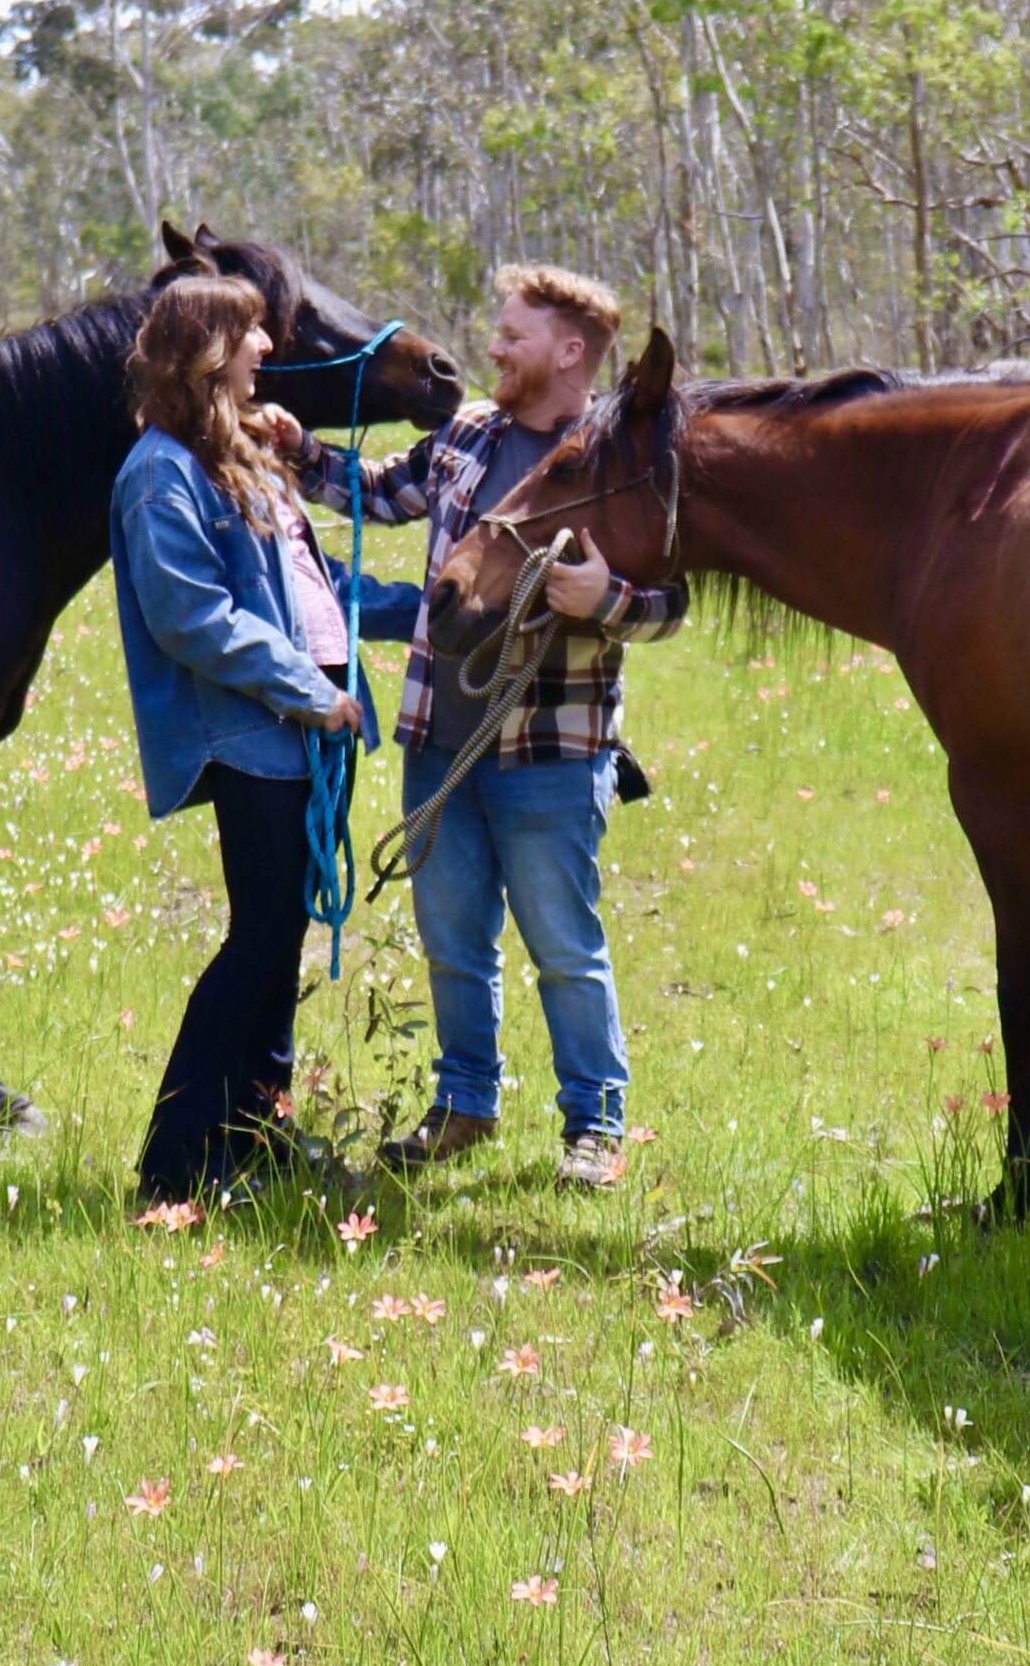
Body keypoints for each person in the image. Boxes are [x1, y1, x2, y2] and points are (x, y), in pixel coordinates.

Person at [268, 266, 687, 1189]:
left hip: (551, 753)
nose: (492, 347)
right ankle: (465, 1104)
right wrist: (301, 450)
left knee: (564, 948)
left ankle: (595, 1125)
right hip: (438, 741)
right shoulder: (466, 434)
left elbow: (675, 602)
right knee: (454, 940)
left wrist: (606, 597)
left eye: (513, 334)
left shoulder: (611, 459)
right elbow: (379, 491)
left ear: (569, 352)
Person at [109, 273, 416, 1201]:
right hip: (256, 728)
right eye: (249, 333)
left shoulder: (241, 456)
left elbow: (316, 595)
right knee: (260, 936)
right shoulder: (162, 472)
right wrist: (303, 694)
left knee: (280, 933)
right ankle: (175, 1161)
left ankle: (258, 1130)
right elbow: (190, 617)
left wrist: (434, 611)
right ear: (209, 350)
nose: (265, 350)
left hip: (308, 723)